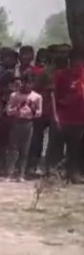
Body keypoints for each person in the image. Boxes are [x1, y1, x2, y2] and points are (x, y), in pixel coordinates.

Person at [48, 45, 84, 183]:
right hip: (62, 117)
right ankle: (53, 172)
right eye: (75, 60)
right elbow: (53, 95)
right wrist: (55, 115)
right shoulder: (61, 75)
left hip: (79, 119)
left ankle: (73, 173)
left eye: (80, 60)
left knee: (75, 149)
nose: (78, 63)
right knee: (56, 147)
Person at [4, 76, 42, 181]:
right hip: (16, 122)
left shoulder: (36, 97)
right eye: (24, 83)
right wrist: (16, 108)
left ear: (33, 84)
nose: (26, 85)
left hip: (28, 123)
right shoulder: (14, 95)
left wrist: (33, 110)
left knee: (25, 149)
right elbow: (8, 111)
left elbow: (39, 113)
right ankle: (9, 173)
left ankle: (21, 173)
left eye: (29, 83)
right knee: (13, 148)